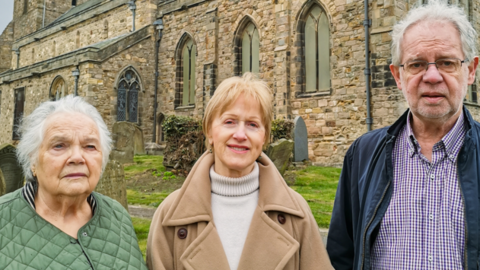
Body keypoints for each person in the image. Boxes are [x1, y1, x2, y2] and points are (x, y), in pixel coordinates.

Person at [327, 1, 480, 270]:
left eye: (446, 62)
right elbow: (341, 254)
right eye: (417, 64)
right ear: (398, 76)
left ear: (470, 71)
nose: (432, 76)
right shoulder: (362, 154)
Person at [146, 73, 333, 270]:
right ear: (209, 131)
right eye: (229, 122)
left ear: (264, 138)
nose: (240, 135)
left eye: (252, 125)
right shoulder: (170, 215)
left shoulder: (297, 213)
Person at [0, 95, 147, 269]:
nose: (77, 157)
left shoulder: (118, 216)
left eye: (90, 146)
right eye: (59, 146)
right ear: (33, 160)